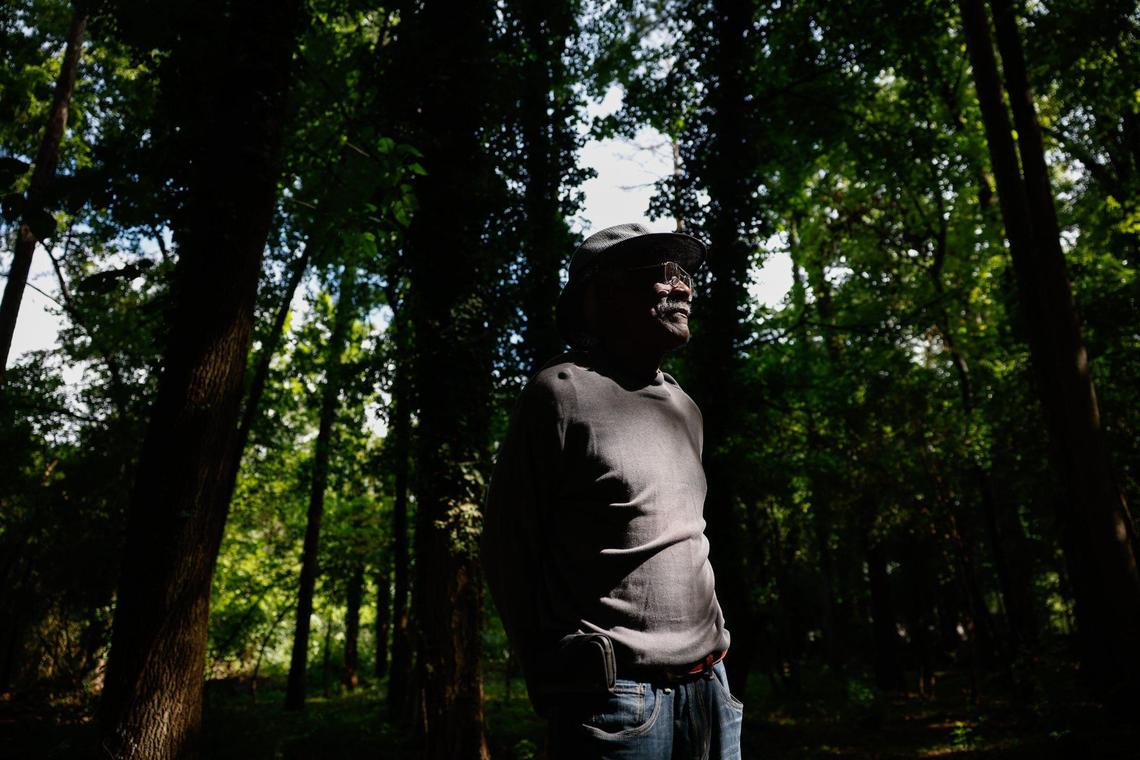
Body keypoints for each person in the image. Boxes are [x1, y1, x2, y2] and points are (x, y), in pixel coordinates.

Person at [482, 222, 743, 758]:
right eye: (661, 274)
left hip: (712, 691)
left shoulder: (685, 408)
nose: (683, 288)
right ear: (603, 293)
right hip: (617, 702)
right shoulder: (560, 393)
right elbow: (508, 547)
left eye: (685, 274)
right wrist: (550, 675)